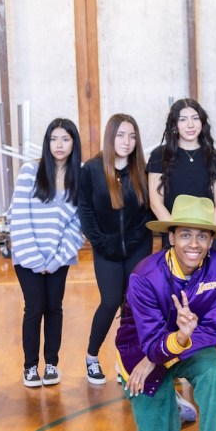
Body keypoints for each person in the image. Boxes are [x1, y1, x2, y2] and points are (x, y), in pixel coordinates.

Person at [116, 195, 216, 431]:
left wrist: (181, 342)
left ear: (210, 241)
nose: (193, 244)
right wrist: (163, 350)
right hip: (141, 352)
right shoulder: (144, 276)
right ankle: (172, 399)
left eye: (202, 236)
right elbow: (149, 344)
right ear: (171, 238)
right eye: (185, 235)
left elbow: (214, 328)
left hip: (192, 346)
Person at [78, 113, 153, 384]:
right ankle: (91, 356)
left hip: (137, 247)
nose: (127, 141)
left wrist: (137, 237)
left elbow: (150, 209)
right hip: (105, 249)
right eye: (121, 135)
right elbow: (84, 209)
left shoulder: (141, 169)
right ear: (110, 137)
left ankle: (127, 362)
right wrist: (99, 241)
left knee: (133, 305)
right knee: (110, 302)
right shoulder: (92, 169)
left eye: (132, 136)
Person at [10, 118, 84, 387]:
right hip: (28, 257)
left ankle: (51, 364)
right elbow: (18, 216)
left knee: (54, 308)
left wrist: (54, 261)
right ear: (47, 142)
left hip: (58, 259)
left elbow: (78, 225)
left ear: (74, 142)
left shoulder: (80, 177)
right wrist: (35, 260)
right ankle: (30, 367)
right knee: (34, 308)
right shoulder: (31, 171)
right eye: (54, 139)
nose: (59, 144)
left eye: (65, 139)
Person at [147, 98, 216, 249]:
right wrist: (178, 236)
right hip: (174, 237)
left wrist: (205, 236)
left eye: (195, 118)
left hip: (210, 236)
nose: (190, 125)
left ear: (202, 123)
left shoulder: (215, 157)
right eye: (183, 119)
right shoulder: (159, 156)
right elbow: (156, 203)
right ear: (174, 125)